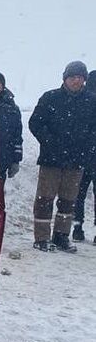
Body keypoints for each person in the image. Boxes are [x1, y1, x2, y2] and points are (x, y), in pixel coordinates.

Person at [28, 61, 96, 253]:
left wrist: (87, 147)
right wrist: (50, 143)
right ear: (65, 78)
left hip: (77, 161)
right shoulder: (50, 98)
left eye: (80, 78)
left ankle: (61, 236)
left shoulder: (92, 101)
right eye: (73, 77)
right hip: (51, 160)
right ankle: (41, 238)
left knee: (68, 200)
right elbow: (35, 124)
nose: (77, 81)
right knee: (45, 199)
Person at [71, 70, 96, 242]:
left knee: (78, 194)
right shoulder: (87, 100)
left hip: (82, 154)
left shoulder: (84, 99)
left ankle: (77, 227)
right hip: (86, 153)